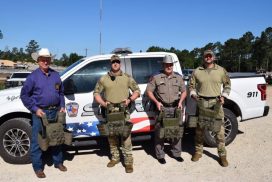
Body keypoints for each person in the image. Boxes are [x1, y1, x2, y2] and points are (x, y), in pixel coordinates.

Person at [20, 48, 67, 178]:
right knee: (37, 141)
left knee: (56, 138)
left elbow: (61, 93)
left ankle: (58, 162)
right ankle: (38, 167)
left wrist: (62, 105)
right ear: (38, 61)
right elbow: (24, 95)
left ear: (50, 60)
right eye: (43, 60)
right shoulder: (32, 77)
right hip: (40, 113)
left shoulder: (56, 75)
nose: (45, 62)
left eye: (47, 59)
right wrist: (35, 109)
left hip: (56, 111)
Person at [93, 55, 140, 173]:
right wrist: (104, 104)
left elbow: (137, 91)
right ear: (110, 63)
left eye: (117, 62)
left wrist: (129, 100)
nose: (115, 64)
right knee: (112, 136)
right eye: (113, 62)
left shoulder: (127, 77)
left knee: (126, 137)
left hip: (124, 111)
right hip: (109, 112)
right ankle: (115, 158)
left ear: (120, 63)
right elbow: (96, 93)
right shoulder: (103, 79)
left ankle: (128, 162)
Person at [189, 49, 231, 167]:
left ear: (213, 57)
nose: (208, 58)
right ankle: (198, 151)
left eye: (210, 56)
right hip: (201, 102)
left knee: (219, 131)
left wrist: (224, 96)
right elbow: (191, 86)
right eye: (206, 56)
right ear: (203, 58)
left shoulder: (221, 70)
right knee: (199, 130)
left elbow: (227, 85)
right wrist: (193, 94)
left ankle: (222, 155)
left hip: (216, 102)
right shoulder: (197, 71)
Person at [146, 55, 187, 164]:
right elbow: (149, 91)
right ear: (163, 65)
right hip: (162, 108)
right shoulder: (156, 77)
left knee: (176, 132)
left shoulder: (178, 77)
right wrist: (156, 102)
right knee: (160, 132)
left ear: (172, 65)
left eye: (170, 65)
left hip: (175, 108)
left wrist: (180, 102)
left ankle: (176, 153)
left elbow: (184, 91)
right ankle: (160, 155)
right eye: (166, 65)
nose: (169, 67)